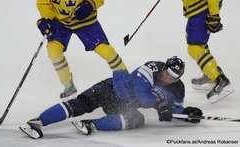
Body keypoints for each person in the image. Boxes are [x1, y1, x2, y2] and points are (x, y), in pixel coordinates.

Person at [19, 56, 203, 139]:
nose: (168, 78)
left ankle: (90, 125)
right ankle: (38, 121)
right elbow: (141, 93)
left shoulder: (178, 89)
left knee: (136, 119)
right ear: (164, 67)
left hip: (123, 103)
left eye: (174, 76)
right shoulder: (152, 67)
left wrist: (187, 113)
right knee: (80, 105)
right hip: (111, 88)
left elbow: (174, 108)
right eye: (168, 72)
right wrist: (159, 104)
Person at [36, 0, 127, 99]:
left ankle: (127, 81)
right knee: (53, 51)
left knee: (106, 51)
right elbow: (43, 3)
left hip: (85, 23)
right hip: (61, 23)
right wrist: (46, 20)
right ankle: (68, 85)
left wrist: (89, 5)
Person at [163, 0, 234, 103]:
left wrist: (214, 16)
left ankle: (220, 80)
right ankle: (210, 73)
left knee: (194, 48)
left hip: (203, 8)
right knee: (196, 42)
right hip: (200, 8)